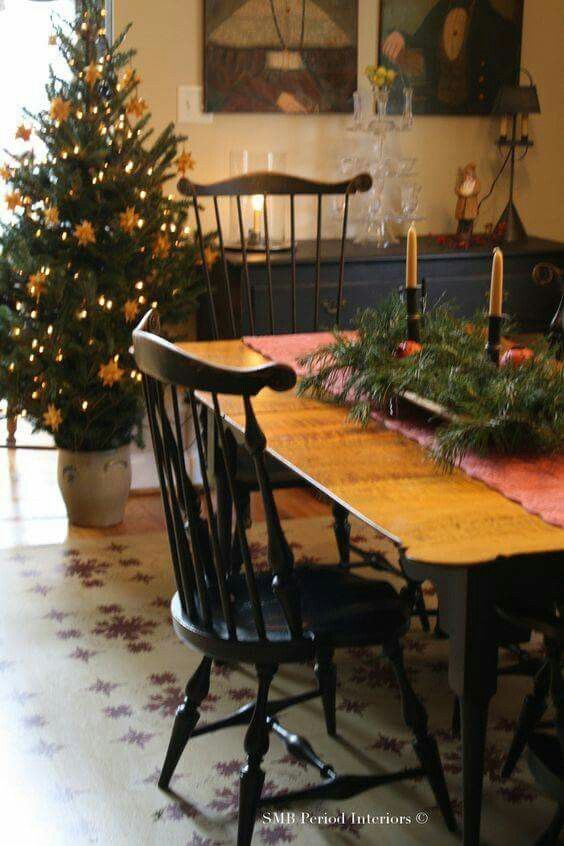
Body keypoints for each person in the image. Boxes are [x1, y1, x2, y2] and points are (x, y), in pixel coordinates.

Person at [382, 0, 521, 113]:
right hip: (438, 109)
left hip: (474, 113)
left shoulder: (492, 20)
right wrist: (401, 36)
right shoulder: (440, 11)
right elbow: (420, 39)